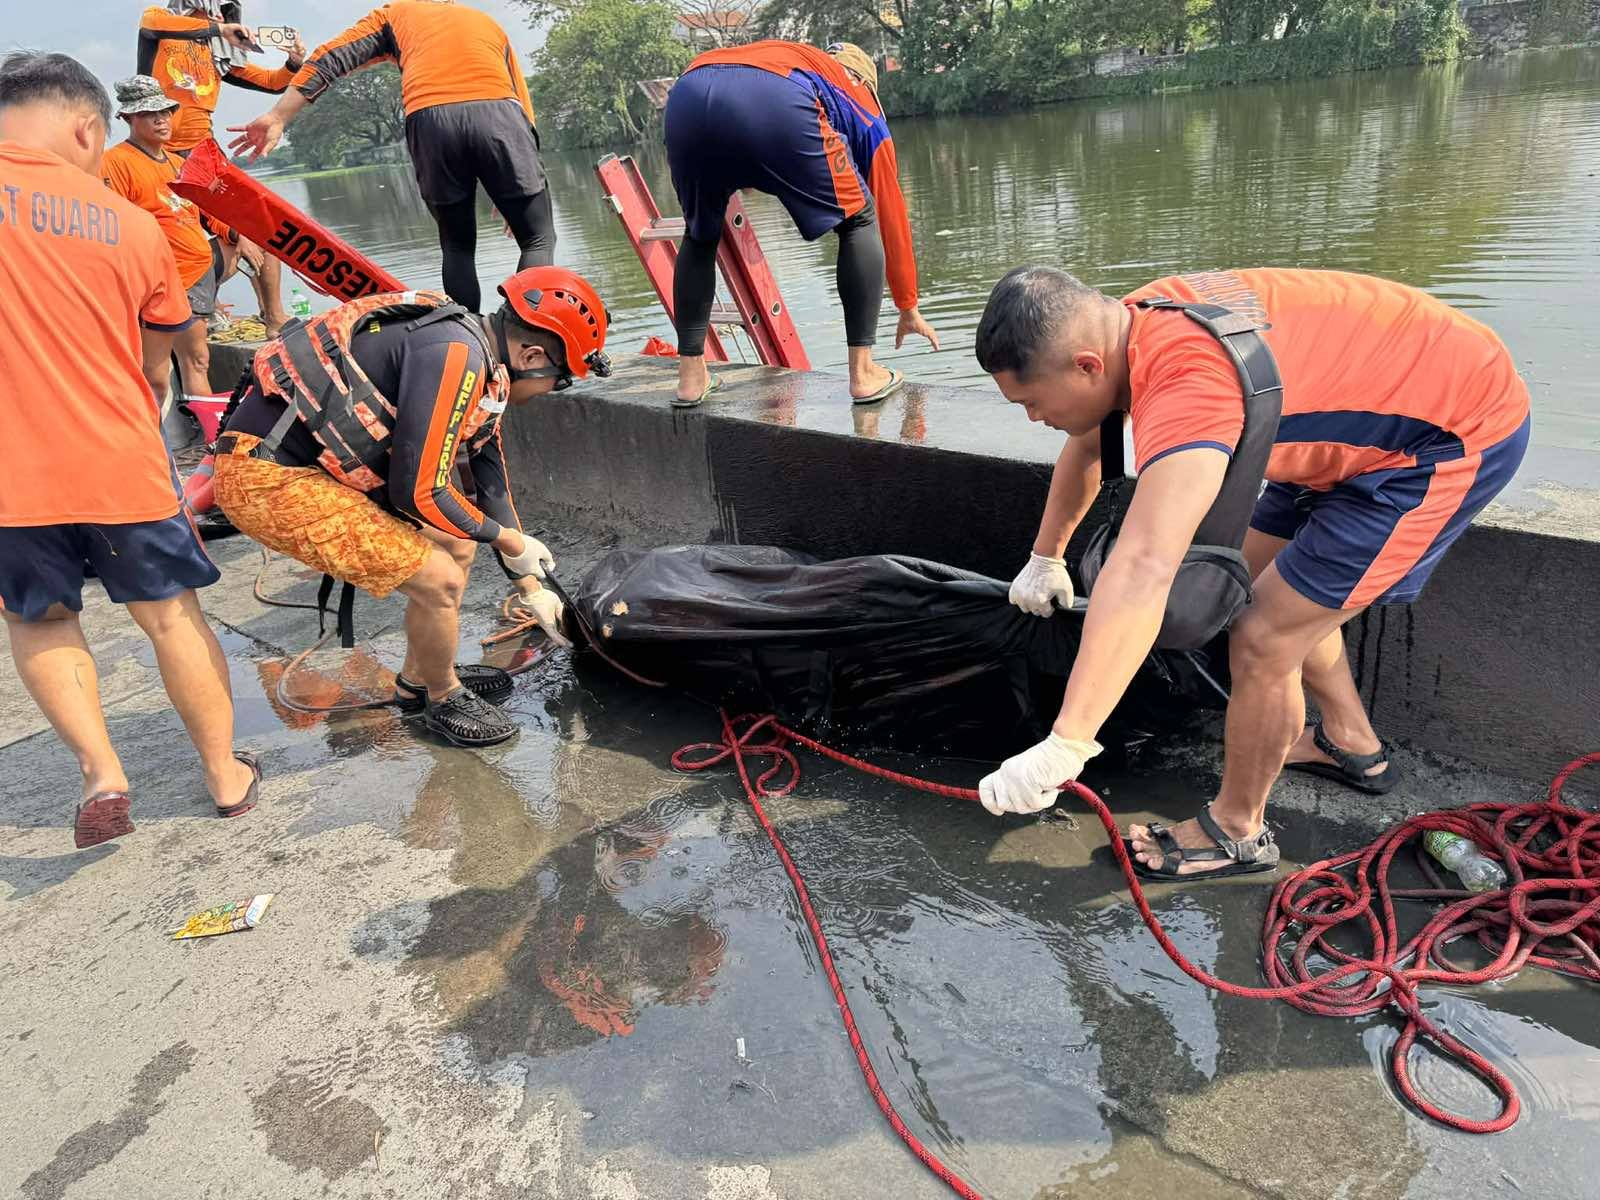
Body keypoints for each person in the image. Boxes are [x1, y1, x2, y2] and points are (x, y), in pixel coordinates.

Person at [973, 267, 1530, 879]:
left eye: (1030, 403)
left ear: (1085, 366)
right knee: (1271, 593)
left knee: (1265, 636)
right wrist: (1046, 555)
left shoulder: (1189, 388)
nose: (1031, 418)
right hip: (1362, 415)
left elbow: (1144, 567)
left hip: (1442, 437)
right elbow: (1090, 442)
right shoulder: (1125, 324)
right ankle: (1352, 745)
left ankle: (1237, 831)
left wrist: (1068, 743)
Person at [0, 52, 262, 849]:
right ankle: (224, 775)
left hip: (10, 478)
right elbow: (157, 363)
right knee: (172, 618)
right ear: (86, 126)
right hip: (120, 458)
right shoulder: (131, 223)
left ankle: (103, 775)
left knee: (41, 620)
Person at [210, 267, 612, 748]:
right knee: (438, 579)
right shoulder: (455, 355)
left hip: (314, 469)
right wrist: (509, 541)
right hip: (266, 479)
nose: (552, 391)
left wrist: (529, 585)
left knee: (457, 546)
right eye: (560, 380)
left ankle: (417, 681)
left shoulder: (480, 356)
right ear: (532, 354)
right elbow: (418, 492)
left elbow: (488, 478)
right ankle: (442, 697)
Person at [226, 0, 555, 315]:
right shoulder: (487, 23)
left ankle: (467, 342)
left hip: (431, 121)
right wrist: (516, 182)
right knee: (537, 238)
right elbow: (522, 108)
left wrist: (279, 116)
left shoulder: (394, 14)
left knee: (457, 247)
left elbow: (329, 58)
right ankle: (527, 334)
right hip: (501, 117)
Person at [662, 40, 940, 407]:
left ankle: (691, 378)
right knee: (859, 219)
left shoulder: (795, 58)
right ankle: (864, 373)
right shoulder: (860, 100)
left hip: (686, 93)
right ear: (864, 80)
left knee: (699, 235)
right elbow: (889, 211)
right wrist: (908, 305)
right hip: (773, 97)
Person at [137, 0, 305, 335]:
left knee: (259, 224)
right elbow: (150, 26)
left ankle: (273, 316)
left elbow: (273, 82)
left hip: (203, 156)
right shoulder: (161, 23)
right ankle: (198, 307)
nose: (218, 14)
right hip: (158, 155)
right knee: (174, 237)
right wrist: (217, 29)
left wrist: (293, 63)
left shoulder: (219, 54)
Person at [101, 75, 236, 399]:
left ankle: (208, 441)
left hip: (197, 275)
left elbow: (204, 213)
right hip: (160, 280)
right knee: (156, 373)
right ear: (129, 118)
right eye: (150, 113)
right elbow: (113, 228)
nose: (161, 119)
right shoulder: (115, 163)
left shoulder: (179, 163)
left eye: (165, 111)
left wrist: (236, 232)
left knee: (198, 360)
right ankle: (155, 439)